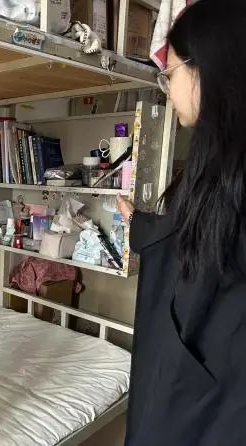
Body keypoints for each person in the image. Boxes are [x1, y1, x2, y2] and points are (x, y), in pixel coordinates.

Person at [116, 1, 246, 445]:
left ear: (207, 69)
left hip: (211, 402)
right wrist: (141, 223)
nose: (167, 92)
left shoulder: (232, 176)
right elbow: (192, 237)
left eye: (169, 75)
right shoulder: (217, 168)